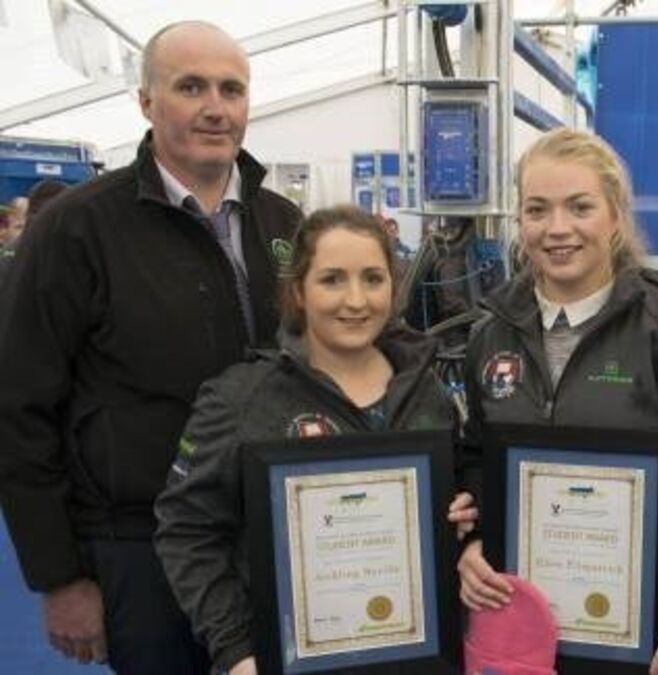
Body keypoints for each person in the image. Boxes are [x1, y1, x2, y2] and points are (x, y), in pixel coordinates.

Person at [0, 21, 300, 674]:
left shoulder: (284, 224)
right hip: (139, 548)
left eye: (231, 89)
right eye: (191, 87)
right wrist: (59, 575)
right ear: (145, 102)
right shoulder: (76, 229)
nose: (215, 107)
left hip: (273, 534)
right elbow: (18, 407)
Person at [452, 127, 658, 675]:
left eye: (580, 207)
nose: (557, 228)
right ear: (519, 221)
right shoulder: (490, 336)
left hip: (642, 644)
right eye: (537, 210)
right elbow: (479, 461)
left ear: (615, 215)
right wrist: (474, 542)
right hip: (520, 641)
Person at [154, 206, 454, 675]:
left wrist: (457, 515)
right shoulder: (242, 398)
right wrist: (235, 651)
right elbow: (186, 530)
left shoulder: (425, 390)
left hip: (410, 650)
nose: (356, 300)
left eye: (373, 279)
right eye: (332, 280)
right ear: (298, 290)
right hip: (286, 658)